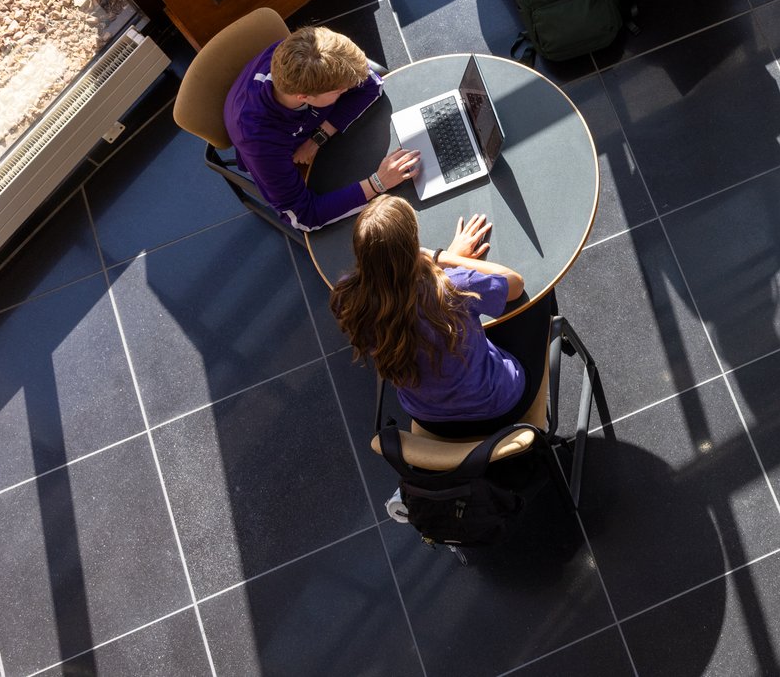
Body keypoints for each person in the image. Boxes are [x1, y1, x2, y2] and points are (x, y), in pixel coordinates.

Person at [329, 195, 554, 438]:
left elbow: (401, 298)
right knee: (542, 295)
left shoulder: (347, 297)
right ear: (413, 246)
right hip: (498, 409)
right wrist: (443, 257)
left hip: (429, 419)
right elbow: (515, 283)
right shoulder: (453, 287)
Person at [222, 26, 420, 233]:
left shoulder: (305, 49)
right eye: (340, 91)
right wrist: (378, 183)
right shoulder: (258, 141)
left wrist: (318, 137)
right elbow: (304, 215)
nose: (348, 89)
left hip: (308, 135)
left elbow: (371, 84)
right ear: (303, 97)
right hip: (283, 159)